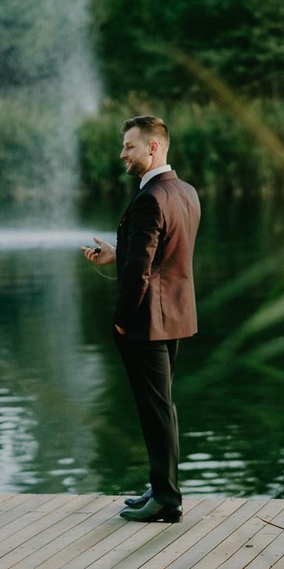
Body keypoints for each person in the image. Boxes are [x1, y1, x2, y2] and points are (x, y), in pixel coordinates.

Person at [82, 115, 201, 523]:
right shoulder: (184, 192)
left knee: (155, 410)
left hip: (148, 323)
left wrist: (120, 320)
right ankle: (162, 485)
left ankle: (167, 499)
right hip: (176, 318)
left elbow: (142, 273)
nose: (122, 154)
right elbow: (163, 255)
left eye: (129, 146)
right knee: (162, 407)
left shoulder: (151, 197)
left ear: (153, 148)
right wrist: (118, 253)